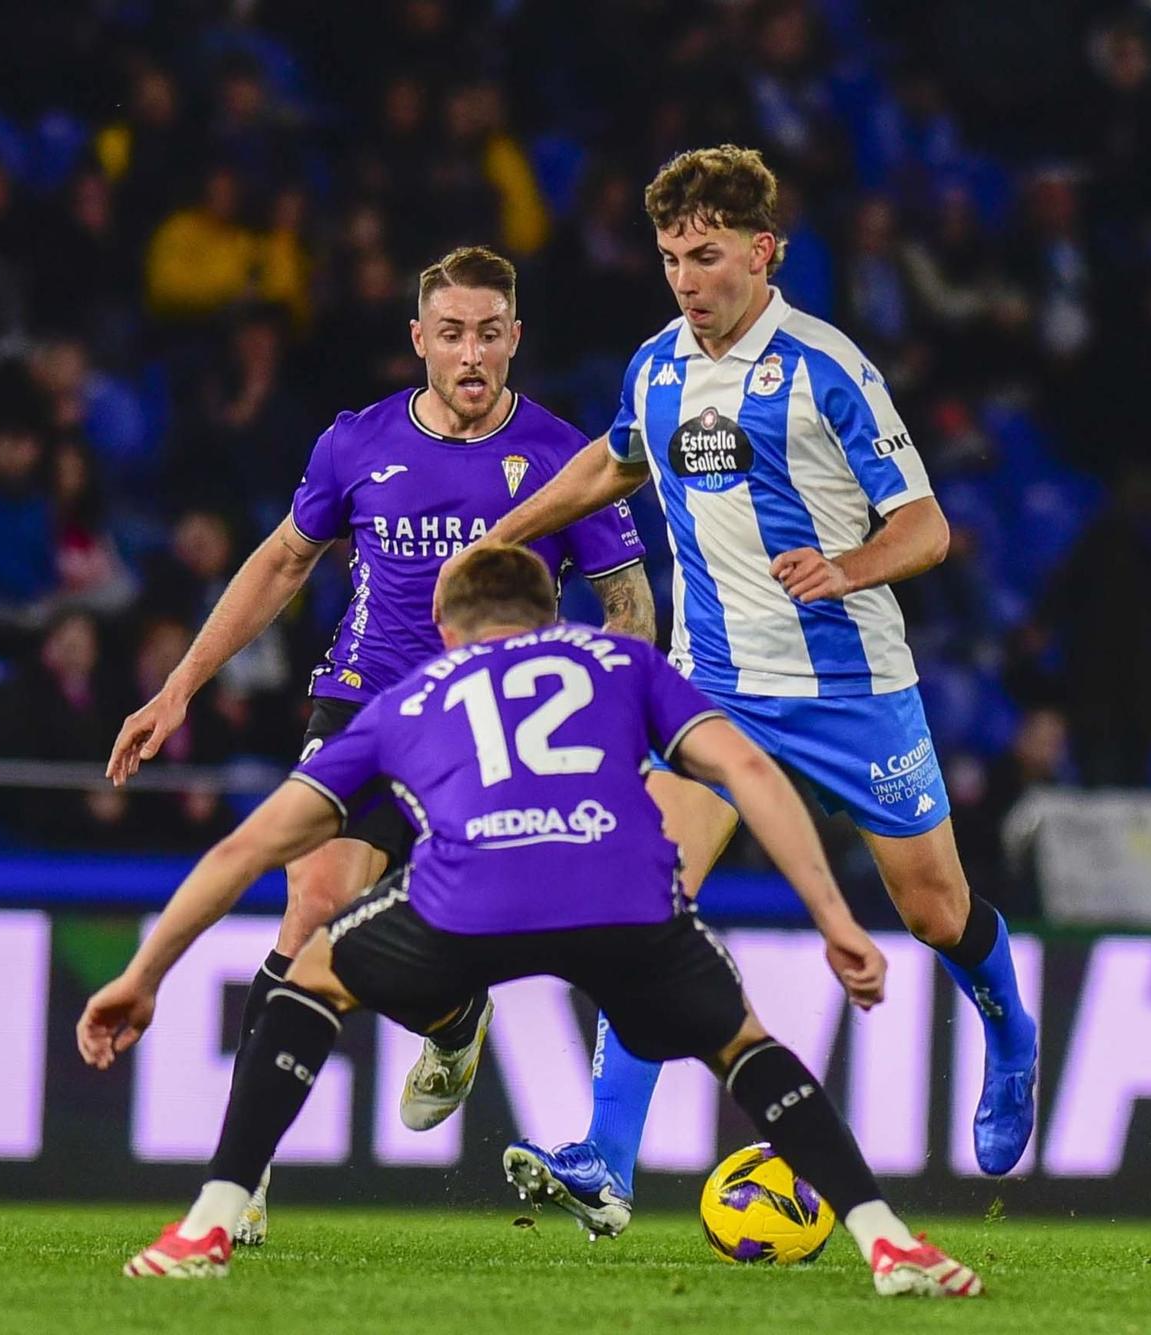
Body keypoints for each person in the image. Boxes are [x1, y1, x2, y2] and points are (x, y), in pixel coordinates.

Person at [77, 547, 983, 1299]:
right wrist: (834, 917)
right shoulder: (628, 666)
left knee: (310, 975)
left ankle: (210, 1222)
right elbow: (746, 769)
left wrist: (143, 974)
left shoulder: (413, 699)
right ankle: (887, 1240)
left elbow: (244, 849)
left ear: (444, 631)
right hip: (622, 898)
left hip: (471, 902)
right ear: (554, 619)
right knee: (742, 1043)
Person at [441, 145, 1038, 1235]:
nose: (683, 277)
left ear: (761, 252)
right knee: (638, 898)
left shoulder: (826, 368)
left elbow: (927, 526)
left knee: (933, 911)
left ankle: (1006, 1029)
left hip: (851, 691)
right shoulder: (657, 365)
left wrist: (845, 566)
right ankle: (604, 1161)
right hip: (714, 692)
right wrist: (504, 534)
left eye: (704, 255)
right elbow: (613, 461)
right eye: (669, 255)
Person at [104, 246, 660, 1245]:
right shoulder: (354, 445)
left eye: (490, 332)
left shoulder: (565, 454)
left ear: (514, 338)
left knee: (450, 944)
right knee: (310, 909)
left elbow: (625, 598)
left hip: (493, 735)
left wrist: (614, 719)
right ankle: (244, 1181)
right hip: (363, 712)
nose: (471, 352)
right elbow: (281, 562)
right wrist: (180, 688)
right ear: (419, 340)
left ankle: (451, 1019)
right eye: (450, 333)